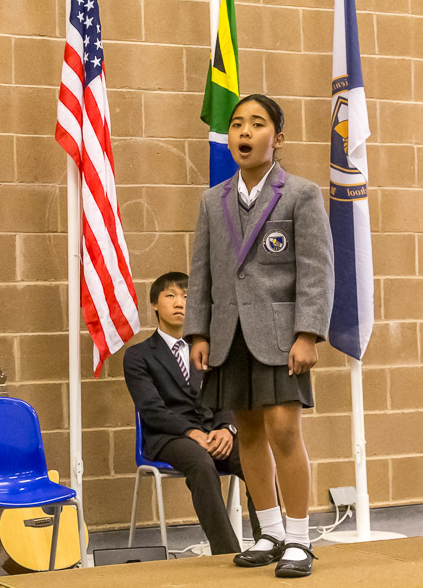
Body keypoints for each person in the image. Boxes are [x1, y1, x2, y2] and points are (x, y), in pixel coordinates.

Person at [184, 94, 334, 578]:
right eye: (237, 125)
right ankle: (268, 530)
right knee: (247, 430)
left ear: (279, 138)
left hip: (279, 334)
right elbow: (202, 271)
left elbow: (316, 270)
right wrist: (198, 331)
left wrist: (307, 333)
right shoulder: (213, 200)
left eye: (257, 124)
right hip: (229, 335)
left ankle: (298, 538)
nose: (244, 133)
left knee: (284, 431)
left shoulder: (301, 195)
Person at [124, 271, 259, 555]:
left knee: (257, 456)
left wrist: (226, 429)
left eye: (187, 297)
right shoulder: (139, 356)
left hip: (215, 431)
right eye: (170, 296)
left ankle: (270, 540)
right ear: (154, 305)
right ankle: (227, 552)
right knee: (201, 462)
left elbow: (227, 397)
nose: (179, 303)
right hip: (169, 437)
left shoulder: (211, 349)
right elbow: (151, 409)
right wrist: (192, 432)